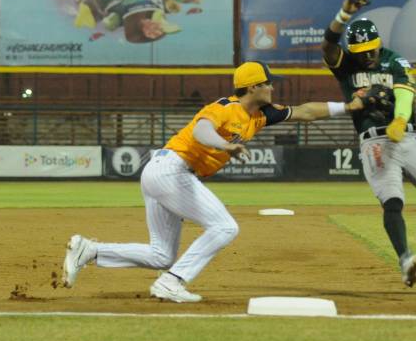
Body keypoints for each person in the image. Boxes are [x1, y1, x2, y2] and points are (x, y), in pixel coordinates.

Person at [61, 61, 366, 302]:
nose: (273, 88)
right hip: (172, 170)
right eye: (269, 83)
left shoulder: (261, 115)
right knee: (225, 227)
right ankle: (172, 282)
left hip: (163, 172)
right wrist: (225, 145)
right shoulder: (224, 108)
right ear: (254, 87)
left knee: (161, 255)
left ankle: (90, 251)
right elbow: (201, 131)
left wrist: (348, 107)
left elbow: (305, 111)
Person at [321, 0, 416, 287]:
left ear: (378, 43)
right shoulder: (346, 65)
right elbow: (328, 44)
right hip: (374, 141)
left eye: (370, 49)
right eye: (360, 51)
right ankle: (405, 259)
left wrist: (400, 119)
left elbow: (404, 92)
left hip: (406, 136)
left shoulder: (394, 59)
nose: (366, 56)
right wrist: (343, 15)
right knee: (392, 201)